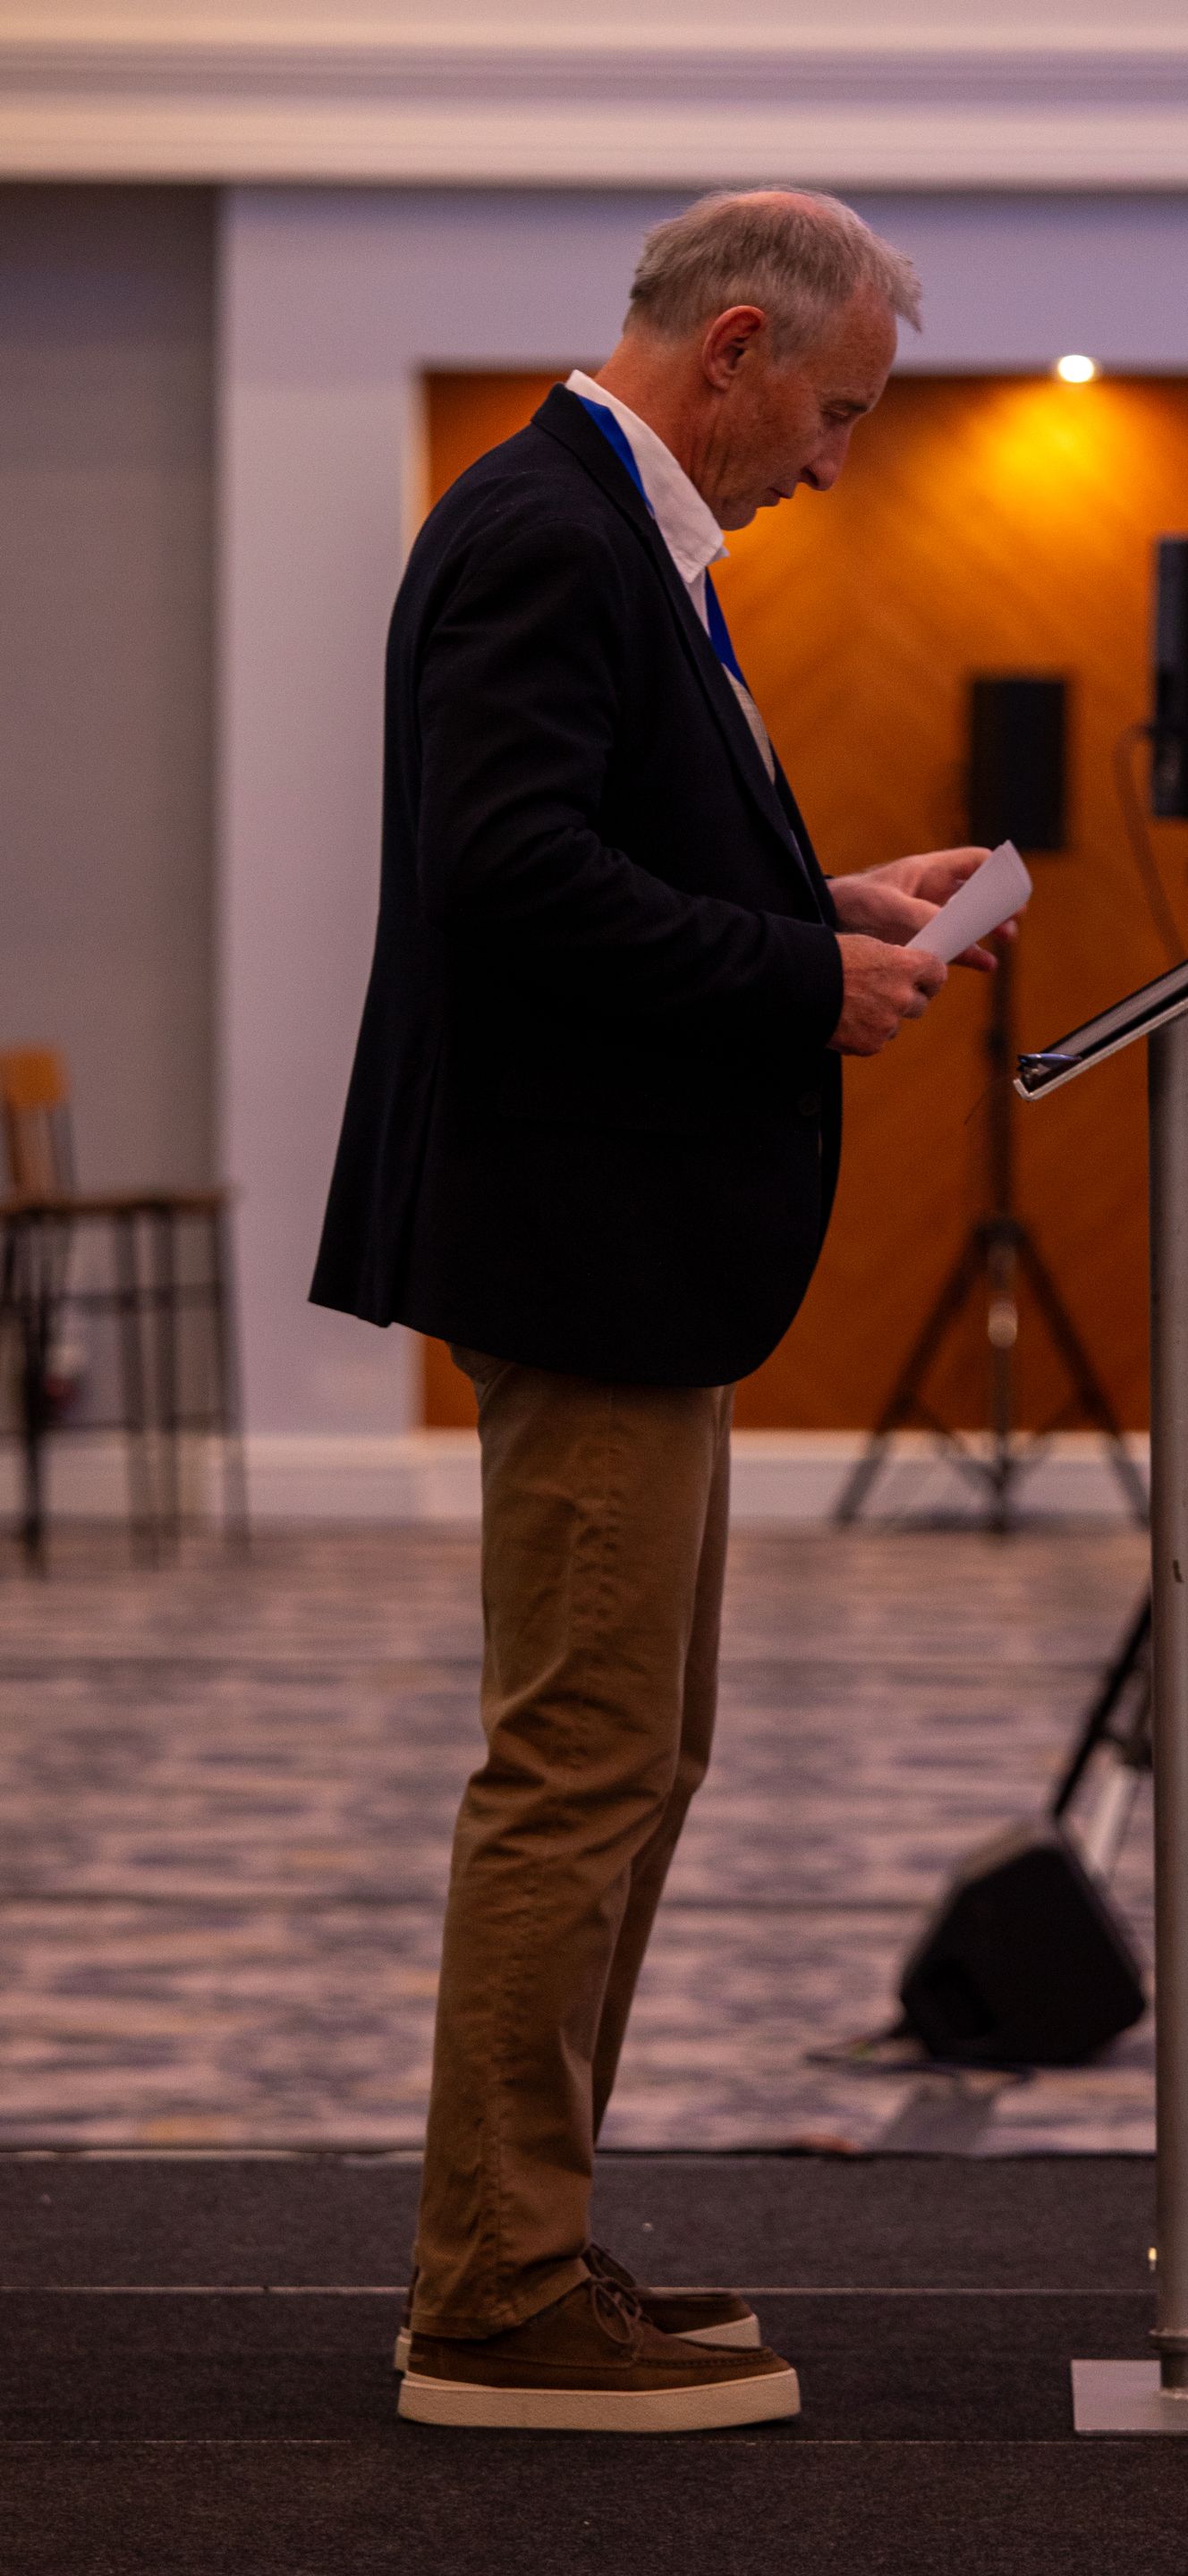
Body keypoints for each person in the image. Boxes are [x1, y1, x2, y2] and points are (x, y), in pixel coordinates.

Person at [310, 190, 1009, 2433]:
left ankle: (529, 2236)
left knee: (639, 1757)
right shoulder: (547, 528)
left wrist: (820, 898)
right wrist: (801, 978)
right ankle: (493, 2291)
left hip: (623, 1243)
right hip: (579, 1242)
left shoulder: (612, 530)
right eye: (835, 410)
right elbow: (506, 876)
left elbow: (590, 846)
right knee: (578, 1766)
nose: (837, 460)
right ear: (735, 348)